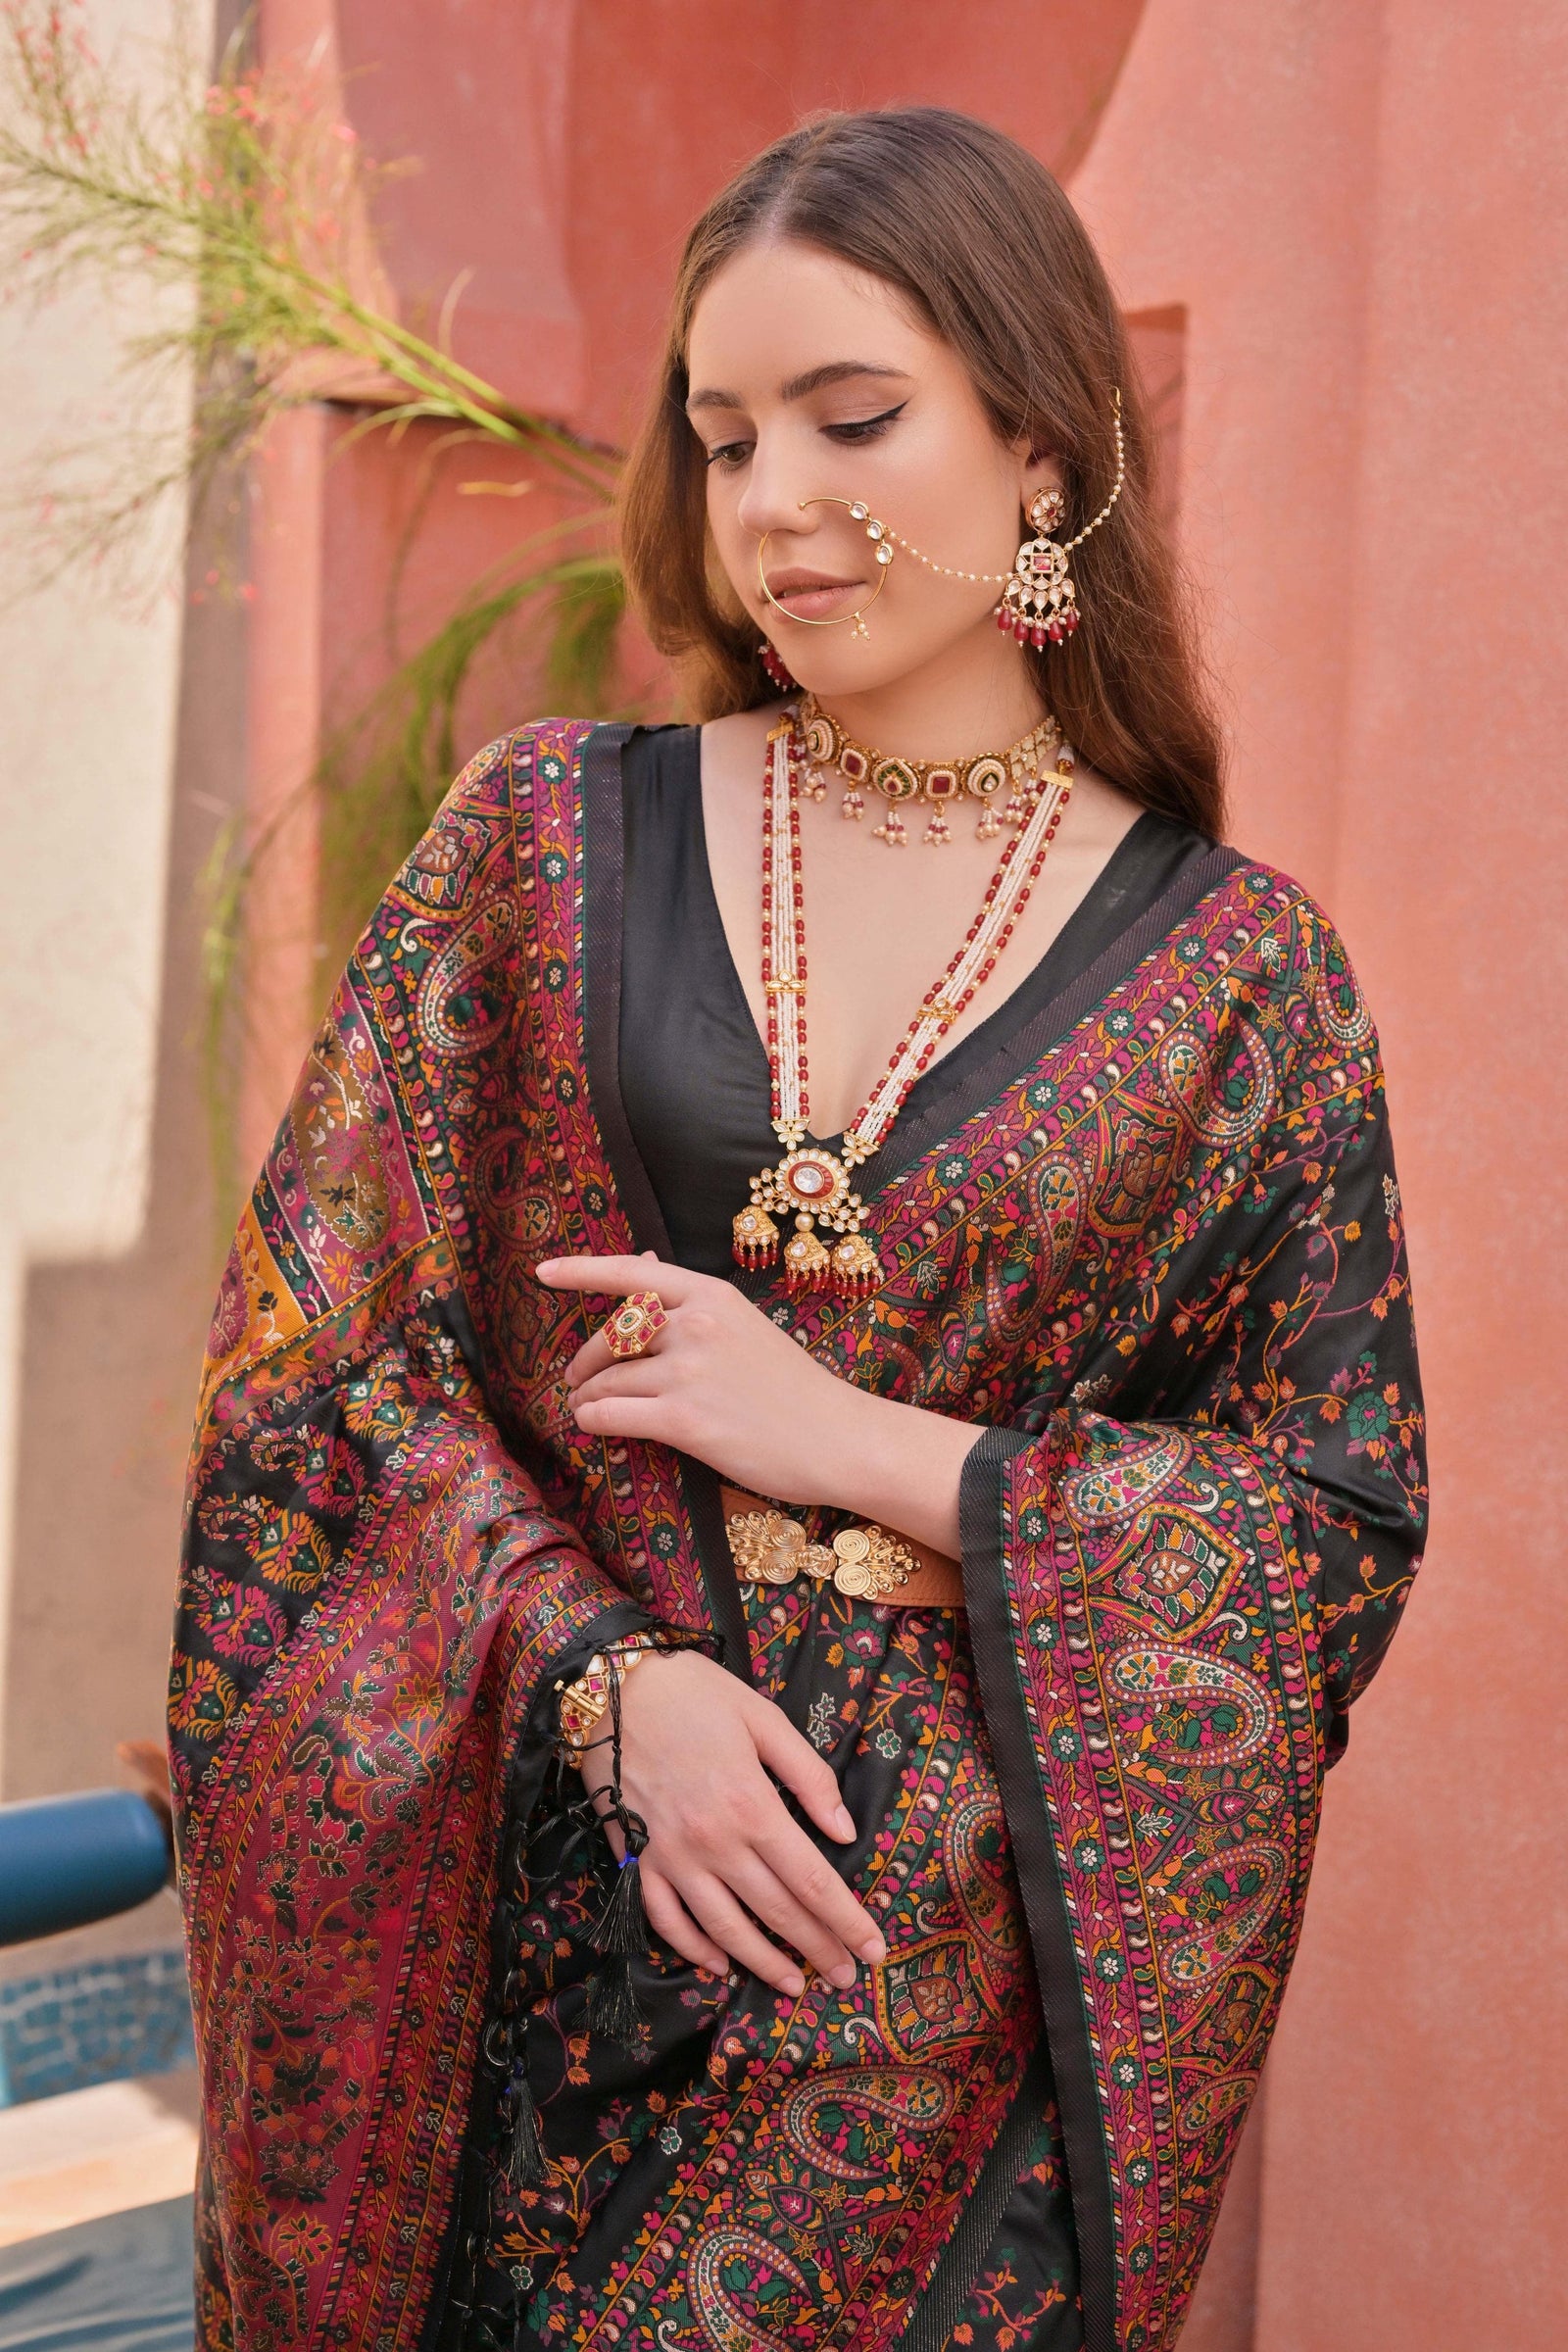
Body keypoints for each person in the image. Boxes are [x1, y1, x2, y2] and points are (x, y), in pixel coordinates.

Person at [170, 108, 1426, 2352]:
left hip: (945, 2024)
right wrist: (598, 1677)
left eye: (852, 420)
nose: (769, 506)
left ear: (1040, 446)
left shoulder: (1244, 977)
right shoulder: (548, 836)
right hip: (520, 1970)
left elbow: (1326, 1525)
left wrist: (866, 1445)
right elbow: (324, 1355)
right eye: (723, 435)